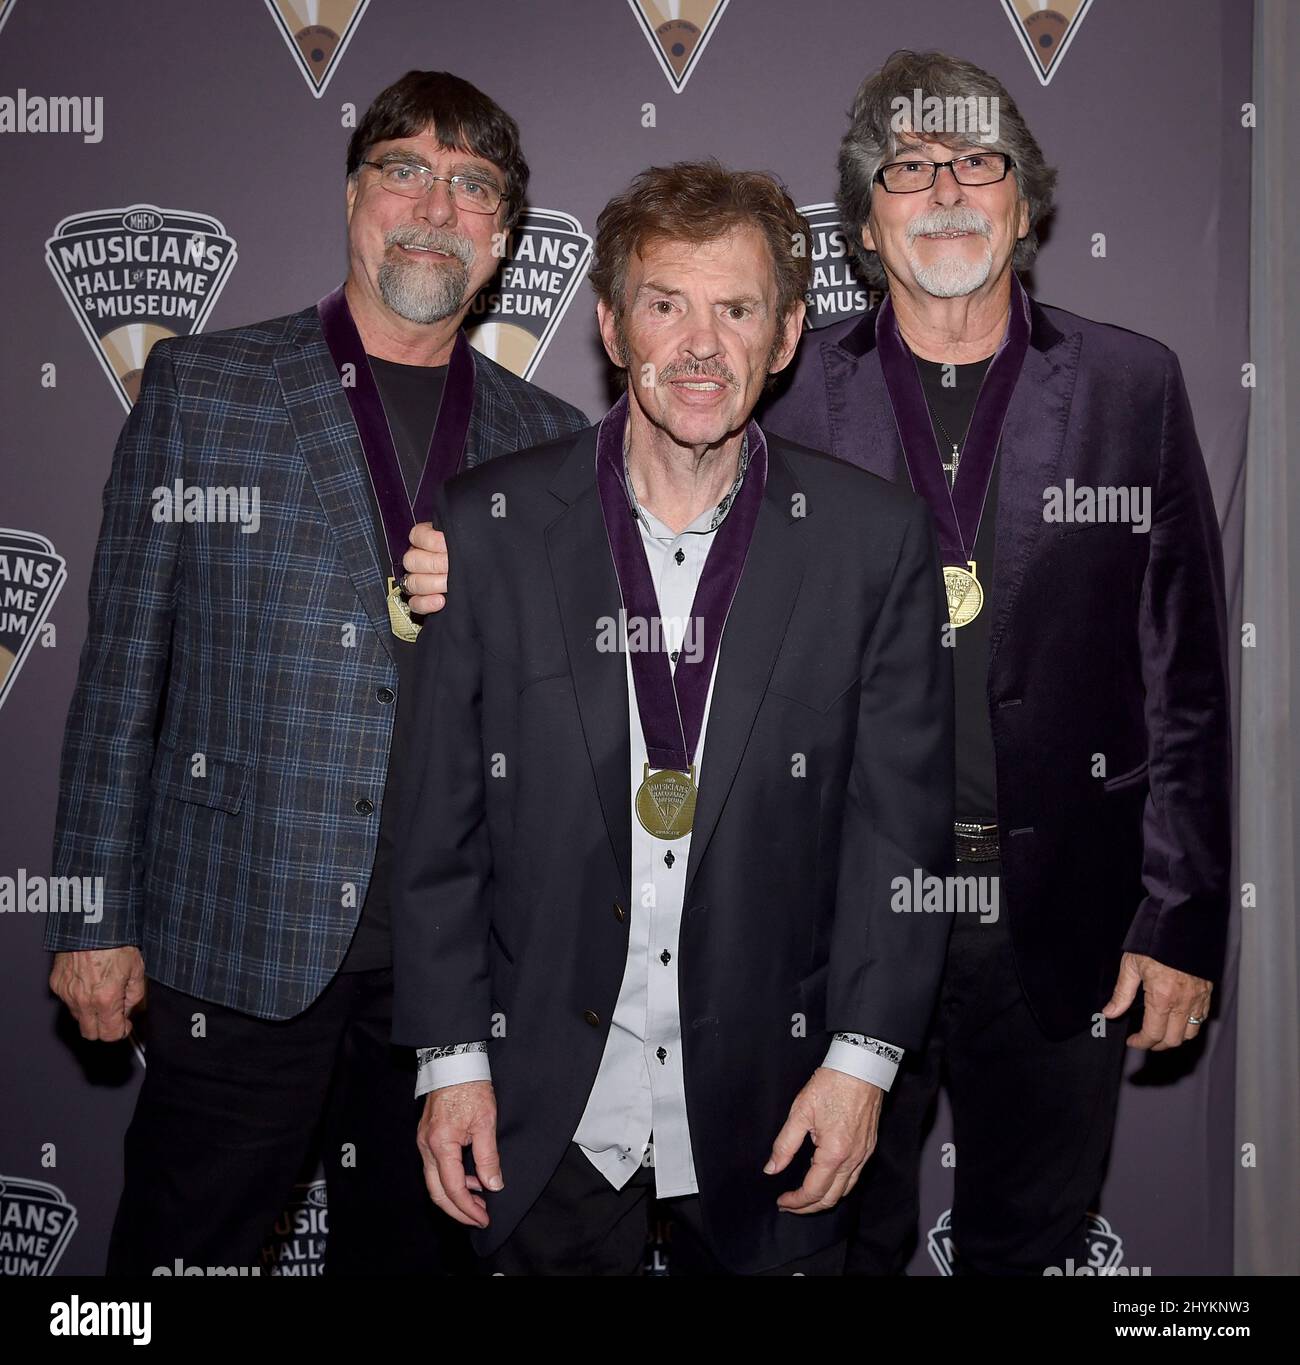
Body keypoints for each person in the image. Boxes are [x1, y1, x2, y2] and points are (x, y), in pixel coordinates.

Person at [45, 69, 586, 1276]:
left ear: (500, 238)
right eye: (405, 170)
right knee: (176, 1261)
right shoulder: (206, 390)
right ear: (353, 199)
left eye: (472, 187)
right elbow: (121, 669)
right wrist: (92, 915)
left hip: (456, 978)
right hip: (241, 941)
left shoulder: (552, 443)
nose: (435, 207)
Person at [389, 160, 955, 1275]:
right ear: (609, 325)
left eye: (736, 309)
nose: (701, 345)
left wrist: (862, 1064)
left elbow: (897, 834)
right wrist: (450, 1062)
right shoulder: (487, 529)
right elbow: (437, 826)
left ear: (786, 334)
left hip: (777, 1097)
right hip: (541, 1099)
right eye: (665, 305)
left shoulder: (869, 542)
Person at [761, 50, 1232, 1276]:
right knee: (828, 1247)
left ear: (1026, 200)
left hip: (1061, 916)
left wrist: (1179, 921)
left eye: (979, 160)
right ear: (866, 221)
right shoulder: (788, 390)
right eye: (909, 168)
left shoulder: (1133, 384)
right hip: (836, 916)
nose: (947, 189)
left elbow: (1180, 674)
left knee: (1028, 1247)